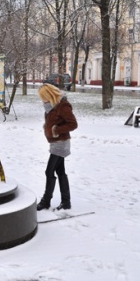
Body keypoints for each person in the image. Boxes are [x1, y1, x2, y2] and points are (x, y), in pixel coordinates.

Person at [37, 83, 78, 211]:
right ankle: (66, 202)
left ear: (49, 95)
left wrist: (56, 130)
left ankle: (46, 201)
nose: (42, 100)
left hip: (61, 144)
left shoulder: (63, 106)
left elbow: (73, 124)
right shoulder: (50, 107)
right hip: (55, 143)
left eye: (43, 97)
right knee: (60, 172)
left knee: (49, 171)